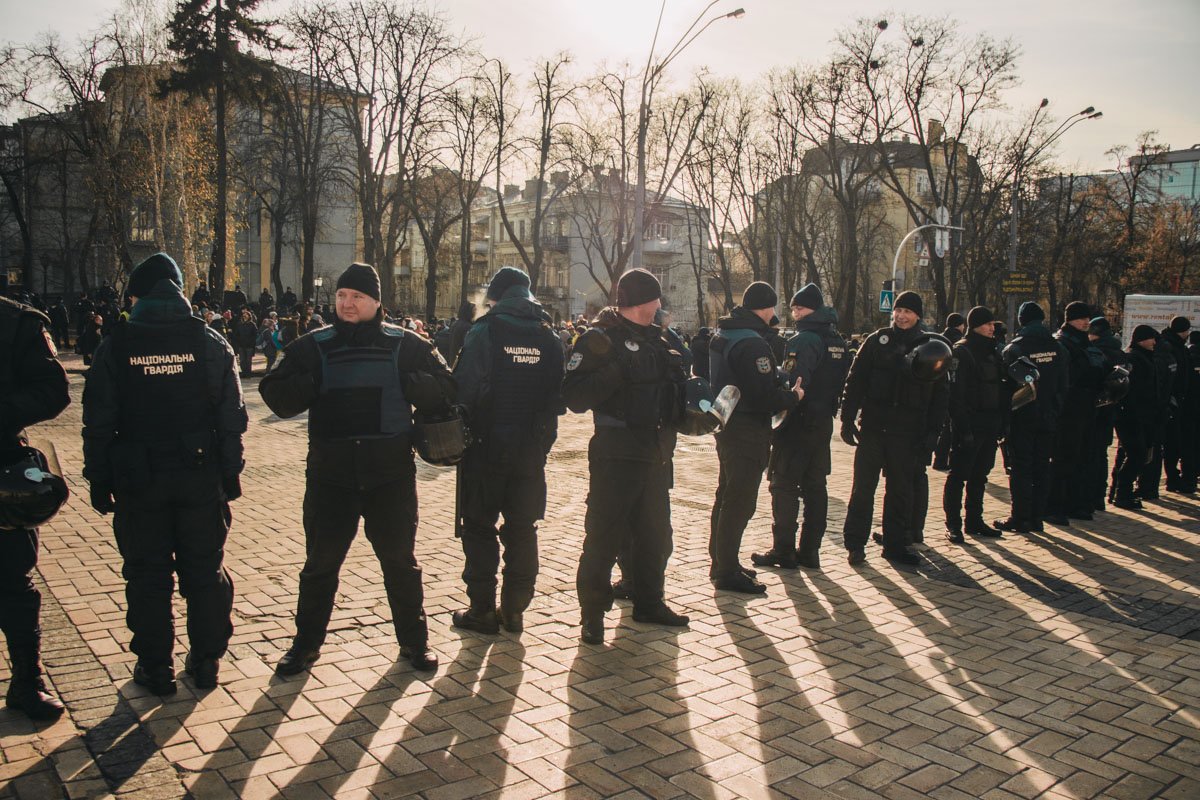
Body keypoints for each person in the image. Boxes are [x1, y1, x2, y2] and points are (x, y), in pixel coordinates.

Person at [259, 263, 454, 675]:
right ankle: (304, 646)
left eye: (357, 297)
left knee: (400, 563)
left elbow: (448, 388)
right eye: (342, 295)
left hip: (390, 478)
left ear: (376, 301)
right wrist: (312, 384)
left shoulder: (407, 344)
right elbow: (275, 395)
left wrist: (410, 383)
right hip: (332, 479)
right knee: (320, 566)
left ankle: (415, 645)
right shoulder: (314, 345)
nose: (347, 304)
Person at [82, 253, 246, 695]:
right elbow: (231, 416)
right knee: (205, 570)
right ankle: (207, 660)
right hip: (199, 476)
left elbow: (97, 419)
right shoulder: (209, 341)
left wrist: (98, 477)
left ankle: (155, 669)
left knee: (147, 575)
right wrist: (231, 474)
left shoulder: (115, 345)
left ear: (135, 296)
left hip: (138, 480)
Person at [562, 268, 691, 644]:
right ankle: (592, 615)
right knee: (603, 537)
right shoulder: (600, 340)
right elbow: (573, 397)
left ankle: (650, 602)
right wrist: (618, 370)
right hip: (615, 457)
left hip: (655, 456)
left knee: (656, 536)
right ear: (643, 302)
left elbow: (674, 395)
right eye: (656, 298)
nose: (660, 304)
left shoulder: (660, 341)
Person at [450, 267, 564, 635]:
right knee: (522, 528)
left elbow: (465, 391)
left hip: (486, 449)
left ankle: (482, 611)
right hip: (530, 452)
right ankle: (514, 610)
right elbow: (556, 399)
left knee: (479, 528)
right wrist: (540, 444)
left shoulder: (485, 330)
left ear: (497, 297)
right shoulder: (549, 336)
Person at [839, 291, 949, 566]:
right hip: (874, 428)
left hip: (907, 433)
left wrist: (933, 433)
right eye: (898, 310)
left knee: (900, 491)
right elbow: (856, 380)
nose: (901, 316)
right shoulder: (877, 341)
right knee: (862, 489)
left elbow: (940, 395)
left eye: (907, 312)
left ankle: (894, 545)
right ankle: (855, 544)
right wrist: (848, 418)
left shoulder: (929, 346)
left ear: (918, 316)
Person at [0, 294, 70, 720]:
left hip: (2, 475)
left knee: (12, 583)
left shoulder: (14, 322)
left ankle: (28, 681)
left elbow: (53, 390)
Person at [708, 282, 803, 593]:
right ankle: (725, 572)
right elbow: (764, 397)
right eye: (772, 307)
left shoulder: (724, 332)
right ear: (765, 308)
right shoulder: (754, 344)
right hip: (748, 430)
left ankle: (723, 562)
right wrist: (792, 396)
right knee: (739, 502)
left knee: (725, 497)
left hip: (727, 423)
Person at [755, 283, 847, 570]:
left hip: (797, 422)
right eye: (793, 307)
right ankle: (810, 552)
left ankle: (783, 550)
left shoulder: (803, 339)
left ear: (814, 309)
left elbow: (794, 381)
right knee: (815, 487)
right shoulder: (838, 341)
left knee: (783, 485)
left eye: (800, 308)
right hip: (822, 423)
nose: (795, 313)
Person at [995, 302, 1068, 534]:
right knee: (1042, 467)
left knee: (1021, 468)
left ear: (1021, 321)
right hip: (1049, 417)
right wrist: (1055, 409)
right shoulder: (1058, 348)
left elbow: (1005, 388)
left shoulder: (1015, 349)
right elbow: (1064, 385)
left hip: (1022, 417)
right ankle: (1037, 517)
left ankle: (1020, 517)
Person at [943, 306, 1008, 543]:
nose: (993, 328)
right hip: (968, 424)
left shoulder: (992, 351)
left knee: (980, 475)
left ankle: (974, 520)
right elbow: (955, 395)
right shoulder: (962, 351)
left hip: (989, 424)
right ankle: (953, 524)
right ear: (976, 325)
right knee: (959, 475)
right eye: (988, 324)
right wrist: (963, 429)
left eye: (993, 324)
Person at [1045, 301, 1104, 524]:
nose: (1086, 322)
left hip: (1086, 406)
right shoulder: (1062, 342)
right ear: (1069, 319)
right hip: (1068, 409)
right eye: (1081, 318)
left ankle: (1076, 503)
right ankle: (1054, 505)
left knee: (1083, 456)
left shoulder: (1083, 343)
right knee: (1064, 458)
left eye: (1087, 318)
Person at [1113, 326, 1161, 510]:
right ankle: (1121, 492)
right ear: (1141, 339)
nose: (1154, 343)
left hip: (1143, 415)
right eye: (1151, 339)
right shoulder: (1133, 358)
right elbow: (1132, 390)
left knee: (1135, 454)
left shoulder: (1145, 357)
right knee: (1136, 454)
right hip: (1131, 415)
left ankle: (1121, 492)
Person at [1086, 316, 1127, 511]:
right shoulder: (1118, 352)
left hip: (1095, 410)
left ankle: (1090, 495)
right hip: (1111, 409)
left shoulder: (1097, 352)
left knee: (1090, 454)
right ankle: (1098, 496)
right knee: (1101, 454)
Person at [1160, 316, 1191, 493]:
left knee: (1174, 442)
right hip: (1171, 402)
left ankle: (1173, 477)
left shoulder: (1177, 347)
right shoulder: (1171, 347)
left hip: (1177, 401)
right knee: (1171, 443)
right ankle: (1172, 477)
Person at [233, 308, 259, 377]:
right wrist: (238, 342)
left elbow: (255, 334)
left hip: (249, 346)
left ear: (249, 316)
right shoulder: (239, 324)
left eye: (246, 315)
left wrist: (251, 342)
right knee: (242, 360)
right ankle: (244, 373)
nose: (245, 316)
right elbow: (236, 334)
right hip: (241, 345)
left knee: (248, 360)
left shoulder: (252, 324)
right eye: (244, 315)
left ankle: (248, 373)